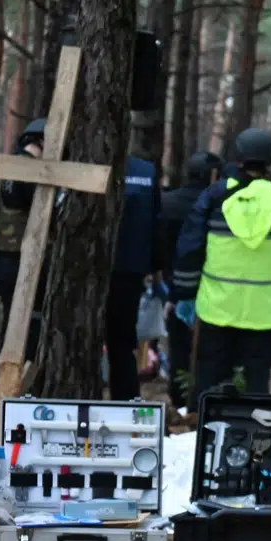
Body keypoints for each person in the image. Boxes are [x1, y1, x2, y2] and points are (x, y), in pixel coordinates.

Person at [172, 128, 271, 400]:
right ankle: (254, 441)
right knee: (255, 389)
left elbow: (190, 249)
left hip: (216, 310)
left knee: (210, 388)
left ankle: (207, 437)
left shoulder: (214, 196)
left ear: (237, 158)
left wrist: (185, 295)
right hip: (264, 315)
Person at [157, 151, 222, 411]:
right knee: (210, 350)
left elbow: (159, 245)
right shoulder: (219, 206)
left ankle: (179, 396)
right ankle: (201, 399)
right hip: (215, 288)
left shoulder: (168, 202)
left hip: (175, 286)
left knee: (179, 347)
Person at [0, 119, 45, 344]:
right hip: (23, 264)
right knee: (21, 332)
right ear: (42, 141)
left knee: (9, 326)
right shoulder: (31, 174)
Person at [106, 154, 160, 400]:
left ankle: (120, 403)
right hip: (130, 269)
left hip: (118, 270)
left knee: (118, 344)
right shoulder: (145, 171)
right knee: (121, 344)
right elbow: (155, 220)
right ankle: (124, 403)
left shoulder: (86, 160)